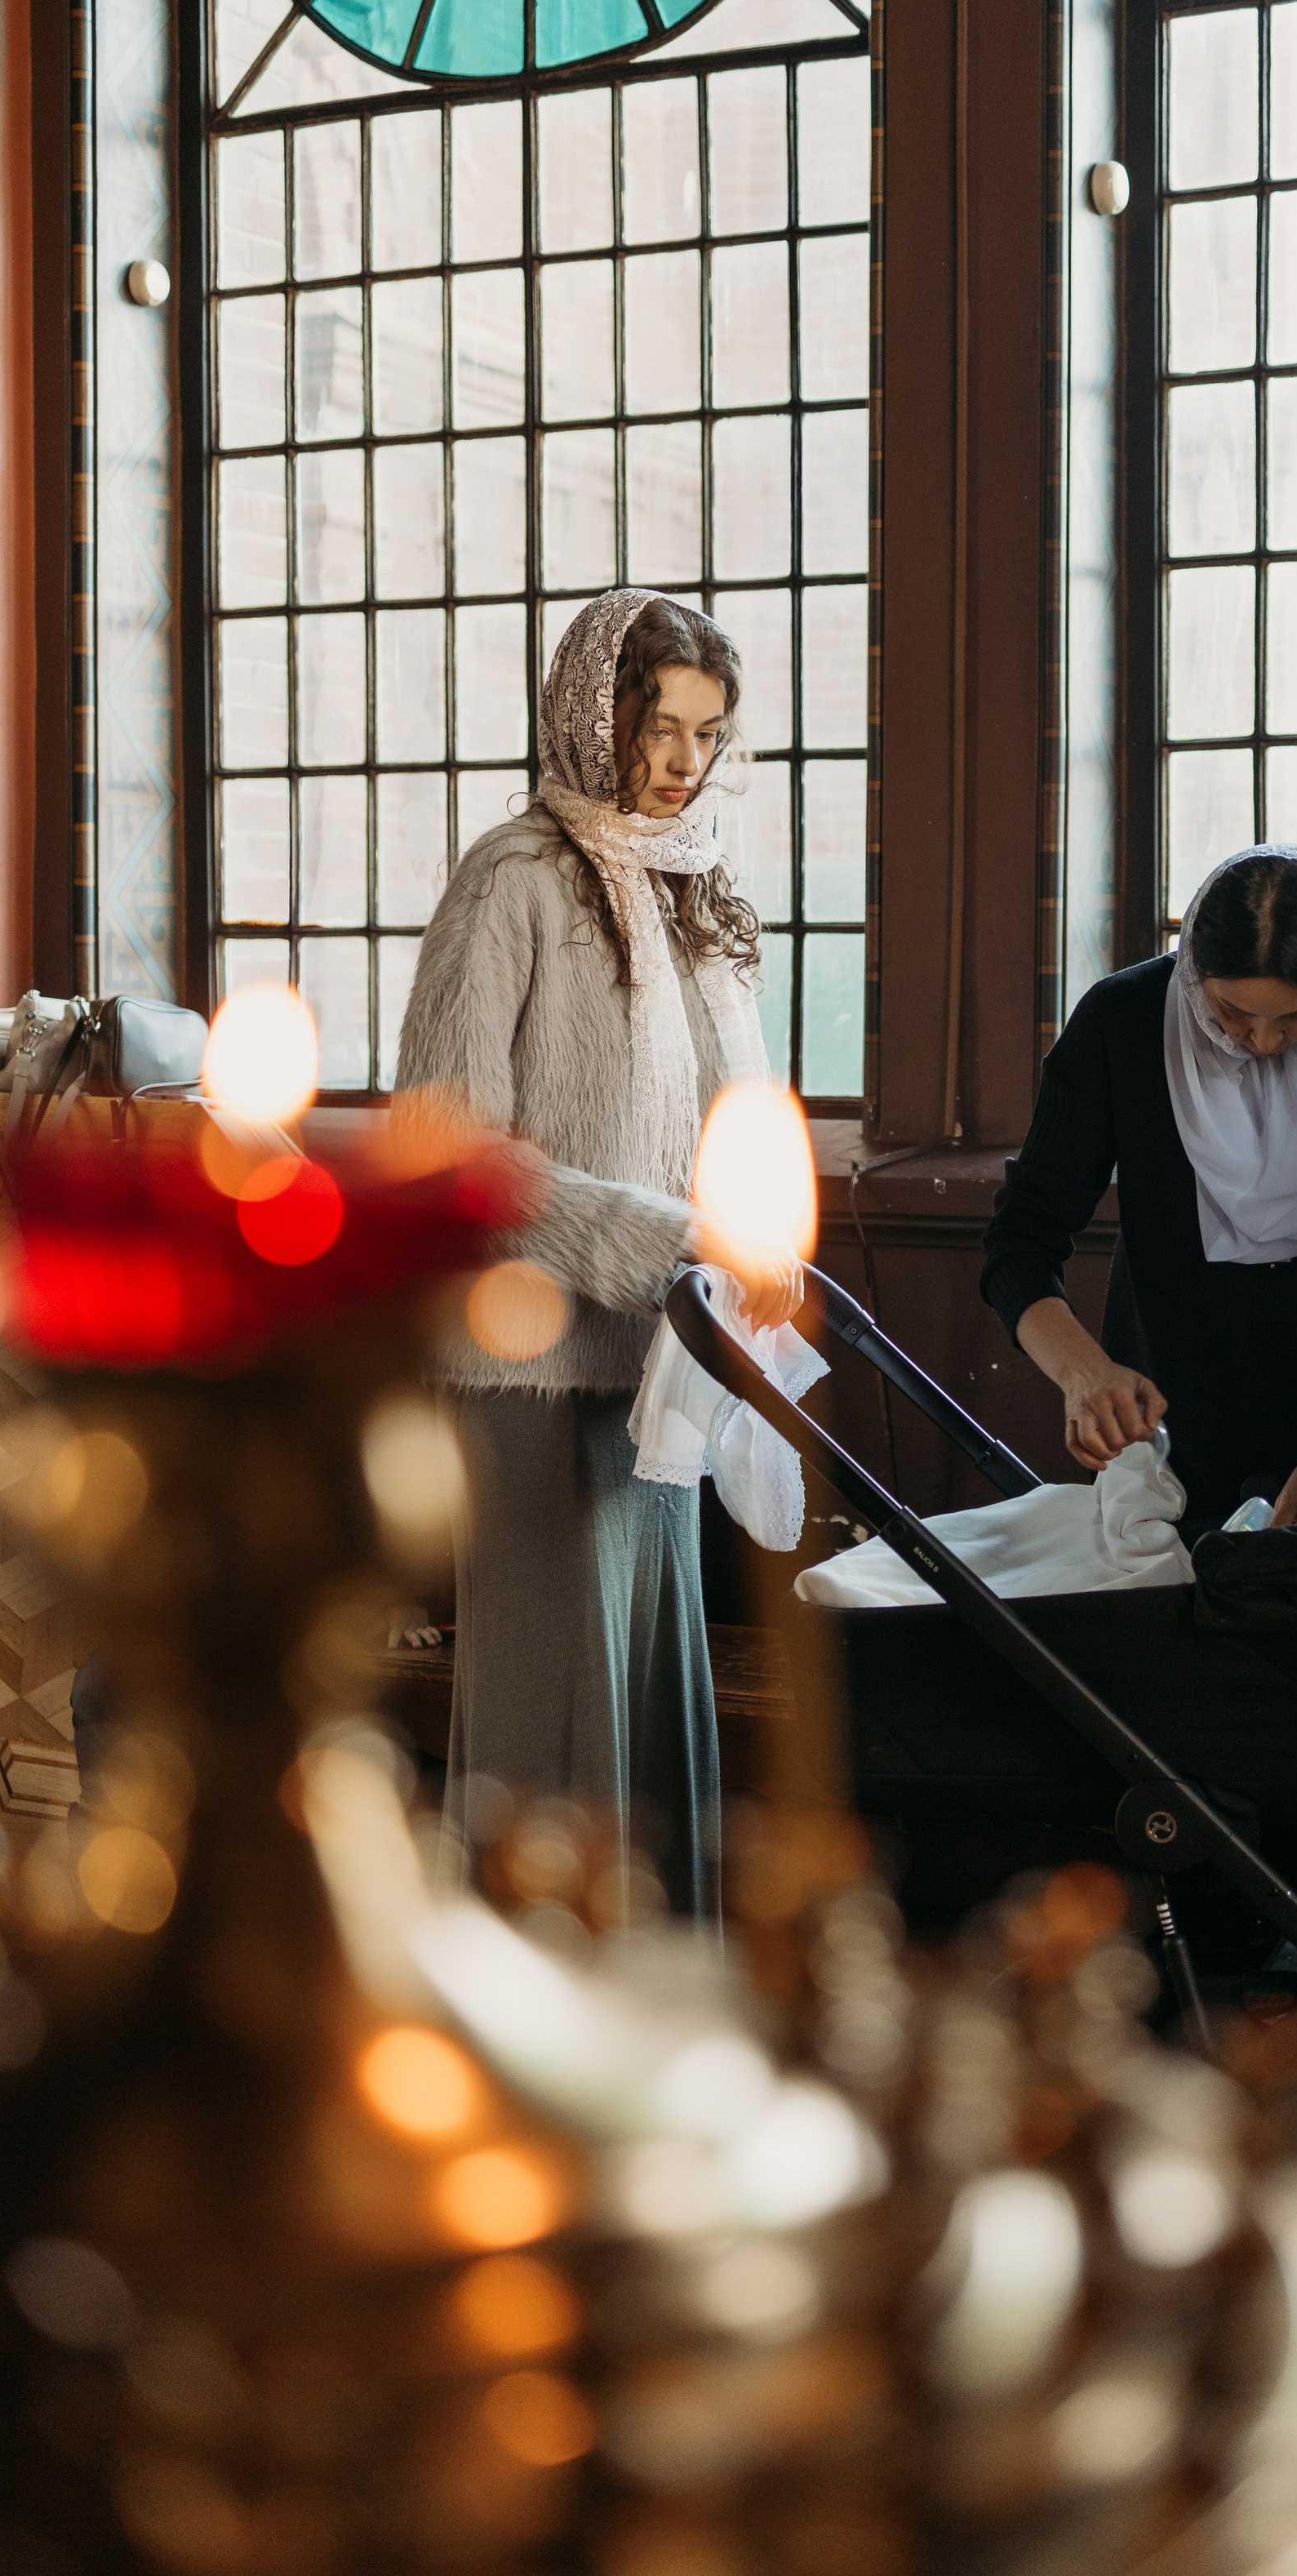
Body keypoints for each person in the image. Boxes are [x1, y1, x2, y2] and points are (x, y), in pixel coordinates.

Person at [394, 588, 797, 1919]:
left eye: (708, 732)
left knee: (644, 1699)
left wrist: (748, 1248)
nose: (685, 759)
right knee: (549, 1724)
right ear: (593, 715)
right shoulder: (511, 880)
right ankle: (525, 1996)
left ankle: (656, 1989)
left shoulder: (696, 892)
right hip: (528, 1367)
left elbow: (730, 1128)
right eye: (658, 725)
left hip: (663, 1373)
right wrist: (656, 1241)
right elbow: (447, 1147)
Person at [984, 844, 1297, 1524]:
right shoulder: (1124, 1022)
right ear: (1194, 972)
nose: (1264, 1041)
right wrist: (1083, 1373)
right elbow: (1020, 1241)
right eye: (1233, 1011)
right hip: (1161, 1434)